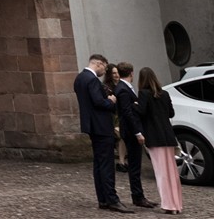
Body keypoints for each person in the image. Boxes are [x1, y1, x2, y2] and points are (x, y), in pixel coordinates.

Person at [78, 53, 128, 212]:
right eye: (105, 68)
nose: (104, 72)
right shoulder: (92, 80)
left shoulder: (80, 78)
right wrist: (111, 101)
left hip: (92, 126)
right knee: (106, 164)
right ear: (99, 64)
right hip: (101, 126)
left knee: (99, 164)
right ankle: (112, 199)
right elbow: (98, 102)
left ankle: (103, 199)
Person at [138, 68, 184, 215]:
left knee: (161, 172)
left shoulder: (144, 94)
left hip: (154, 137)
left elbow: (141, 112)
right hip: (167, 136)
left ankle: (169, 204)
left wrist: (134, 104)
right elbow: (171, 113)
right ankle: (177, 204)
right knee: (172, 172)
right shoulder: (165, 94)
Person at [115, 62, 158, 210]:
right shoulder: (122, 89)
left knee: (135, 165)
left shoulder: (124, 88)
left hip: (131, 130)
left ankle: (138, 196)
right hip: (131, 131)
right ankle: (138, 196)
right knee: (134, 165)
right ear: (131, 73)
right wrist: (138, 132)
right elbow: (128, 113)